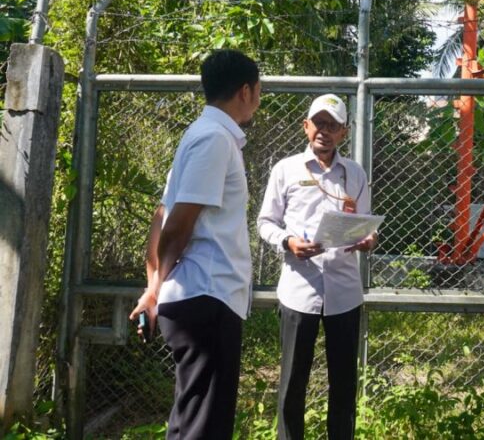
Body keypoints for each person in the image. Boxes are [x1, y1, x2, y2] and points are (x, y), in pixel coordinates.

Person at [128, 49, 261, 439]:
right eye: (258, 91)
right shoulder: (215, 139)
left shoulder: (199, 135)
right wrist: (154, 290)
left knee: (190, 419)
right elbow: (177, 223)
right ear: (245, 91)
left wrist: (155, 289)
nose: (257, 99)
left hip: (198, 297)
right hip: (207, 294)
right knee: (205, 425)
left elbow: (161, 216)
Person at [257, 93, 376, 440]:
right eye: (318, 123)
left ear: (344, 132)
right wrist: (288, 243)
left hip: (344, 293)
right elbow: (265, 223)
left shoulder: (354, 173)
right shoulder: (286, 170)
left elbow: (367, 226)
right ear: (305, 126)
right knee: (293, 382)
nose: (324, 131)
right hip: (299, 290)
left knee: (343, 385)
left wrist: (367, 240)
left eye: (332, 125)